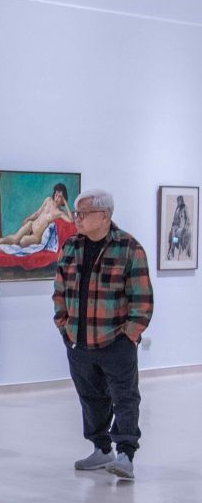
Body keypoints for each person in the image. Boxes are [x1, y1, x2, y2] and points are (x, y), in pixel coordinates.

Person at [53, 189, 153, 479]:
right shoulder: (71, 246)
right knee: (90, 398)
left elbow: (142, 300)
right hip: (78, 341)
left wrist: (129, 336)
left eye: (83, 213)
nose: (77, 218)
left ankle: (125, 454)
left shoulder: (129, 248)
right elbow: (59, 290)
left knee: (125, 397)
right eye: (77, 213)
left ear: (105, 216)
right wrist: (64, 326)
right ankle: (101, 448)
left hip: (116, 340)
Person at [0, 183, 73, 247]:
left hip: (37, 236)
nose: (56, 197)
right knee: (16, 238)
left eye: (59, 196)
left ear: (63, 199)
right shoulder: (48, 200)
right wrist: (28, 218)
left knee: (22, 242)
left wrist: (65, 203)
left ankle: (5, 242)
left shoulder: (60, 213)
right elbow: (37, 213)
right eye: (56, 194)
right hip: (31, 225)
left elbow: (71, 220)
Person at [166, 195, 191, 260]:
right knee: (172, 233)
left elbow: (188, 218)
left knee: (174, 233)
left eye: (179, 201)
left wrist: (186, 226)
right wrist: (173, 224)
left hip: (181, 226)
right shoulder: (177, 208)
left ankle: (172, 251)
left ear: (181, 201)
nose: (177, 202)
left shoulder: (185, 207)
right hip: (176, 225)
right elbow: (175, 218)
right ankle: (172, 250)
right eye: (177, 201)